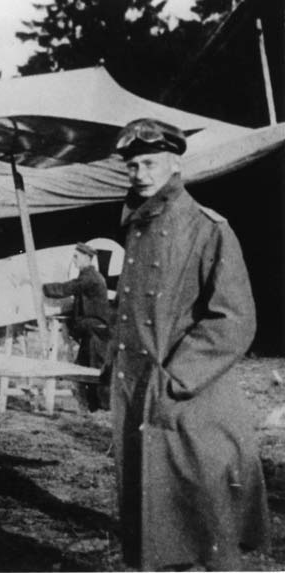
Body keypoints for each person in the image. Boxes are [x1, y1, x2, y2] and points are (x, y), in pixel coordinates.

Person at [108, 118, 269, 570]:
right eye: (132, 165)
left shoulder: (206, 228)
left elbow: (233, 319)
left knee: (208, 521)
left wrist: (176, 378)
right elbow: (130, 314)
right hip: (143, 399)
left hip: (191, 401)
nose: (139, 173)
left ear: (175, 162)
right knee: (160, 526)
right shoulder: (138, 225)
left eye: (149, 163)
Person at [42, 242, 110, 411]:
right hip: (94, 328)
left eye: (76, 257)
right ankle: (92, 407)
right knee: (86, 365)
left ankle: (100, 407)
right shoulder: (90, 276)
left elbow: (67, 288)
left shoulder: (90, 277)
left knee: (92, 368)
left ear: (87, 258)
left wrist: (41, 287)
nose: (73, 261)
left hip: (95, 329)